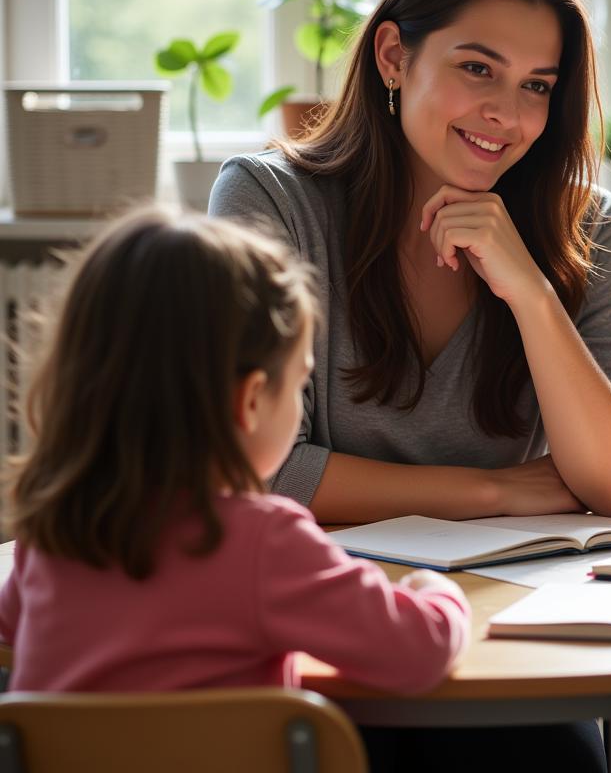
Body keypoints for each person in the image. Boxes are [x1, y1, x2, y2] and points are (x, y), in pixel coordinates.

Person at [210, 0, 611, 771]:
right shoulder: (270, 203)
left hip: (506, 633)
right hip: (310, 632)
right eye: (477, 69)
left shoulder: (591, 228)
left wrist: (531, 292)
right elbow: (250, 469)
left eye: (539, 85)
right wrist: (497, 493)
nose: (508, 114)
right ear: (393, 56)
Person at [0, 207, 470, 697]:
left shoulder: (52, 532)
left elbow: (11, 629)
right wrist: (433, 590)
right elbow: (420, 651)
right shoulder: (265, 543)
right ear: (249, 401)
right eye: (298, 382)